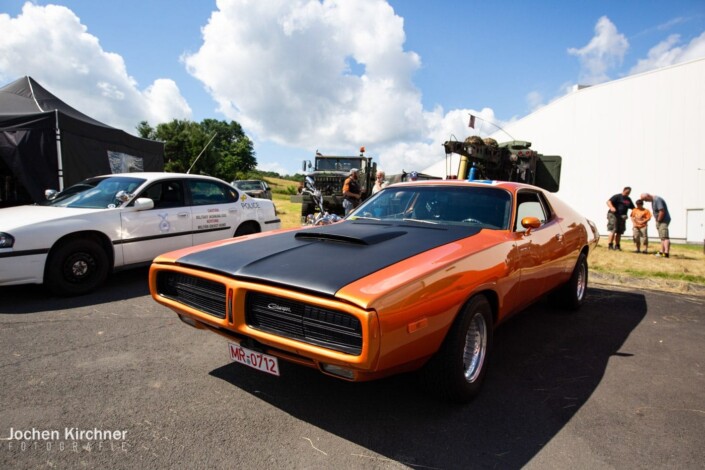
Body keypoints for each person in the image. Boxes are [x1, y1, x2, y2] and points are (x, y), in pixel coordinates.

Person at [640, 193, 671, 258]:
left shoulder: (657, 200)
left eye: (645, 199)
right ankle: (662, 252)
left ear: (648, 196)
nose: (645, 201)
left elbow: (662, 211)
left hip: (663, 220)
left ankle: (666, 253)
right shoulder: (653, 201)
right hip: (660, 220)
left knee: (665, 236)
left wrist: (659, 220)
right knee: (662, 237)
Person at [606, 186, 635, 251]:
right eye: (627, 192)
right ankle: (610, 245)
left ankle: (617, 246)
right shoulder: (617, 196)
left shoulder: (628, 199)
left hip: (622, 216)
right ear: (624, 190)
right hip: (614, 215)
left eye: (629, 192)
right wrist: (612, 207)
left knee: (619, 231)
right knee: (613, 229)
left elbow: (633, 208)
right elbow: (608, 202)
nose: (628, 193)